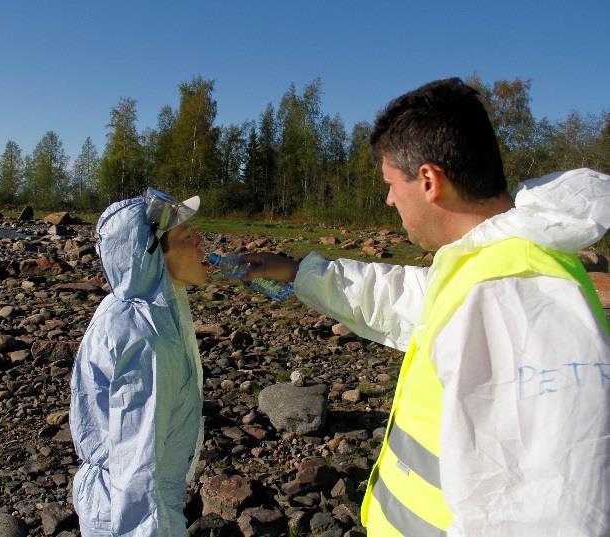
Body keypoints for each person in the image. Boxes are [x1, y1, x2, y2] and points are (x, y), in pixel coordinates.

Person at [244, 78, 610, 536]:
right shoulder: (485, 267)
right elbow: (398, 297)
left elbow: (550, 511)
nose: (389, 199)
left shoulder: (514, 294)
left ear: (429, 180)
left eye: (392, 185)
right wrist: (296, 271)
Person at [70, 188, 207, 536]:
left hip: (117, 500)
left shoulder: (127, 306)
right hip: (132, 515)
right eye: (187, 237)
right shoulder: (148, 340)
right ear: (151, 255)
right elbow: (138, 467)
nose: (201, 244)